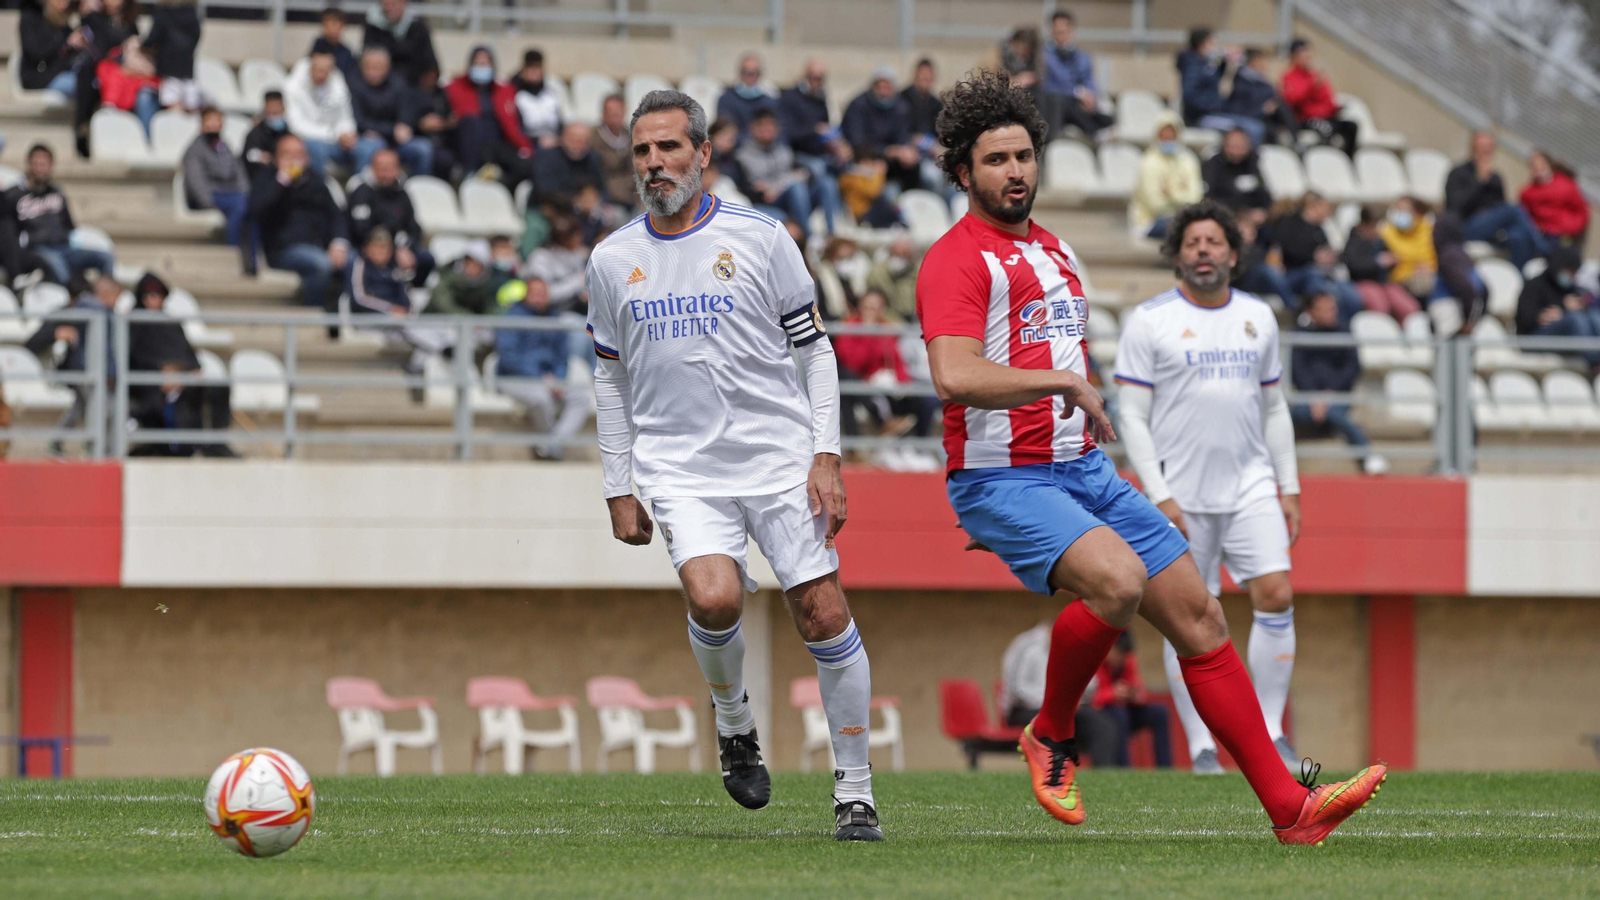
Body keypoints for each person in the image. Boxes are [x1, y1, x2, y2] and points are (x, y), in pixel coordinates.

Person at [917, 69, 1386, 843]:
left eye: (1025, 156)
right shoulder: (956, 259)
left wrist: (1079, 399)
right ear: (963, 171)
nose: (1016, 172)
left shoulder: (1060, 251)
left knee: (1201, 616)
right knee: (1119, 582)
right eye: (997, 160)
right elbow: (954, 375)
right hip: (1003, 475)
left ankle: (1292, 811)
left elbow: (1050, 350)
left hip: (1082, 472)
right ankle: (1051, 732)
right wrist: (1067, 380)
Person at [587, 89, 880, 841]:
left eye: (670, 148)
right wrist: (619, 486)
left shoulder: (762, 237)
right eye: (643, 151)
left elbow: (816, 352)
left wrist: (826, 455)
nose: (655, 162)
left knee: (822, 613)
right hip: (681, 469)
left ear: (704, 153)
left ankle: (855, 793)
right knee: (715, 600)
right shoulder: (612, 258)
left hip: (780, 460)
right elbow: (608, 379)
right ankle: (734, 722)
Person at [1113, 199, 1304, 775]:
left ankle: (1271, 734)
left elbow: (1274, 407)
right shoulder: (1150, 321)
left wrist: (1287, 486)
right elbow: (1132, 417)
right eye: (1193, 242)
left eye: (1213, 242)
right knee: (1188, 615)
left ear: (1233, 254)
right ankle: (1201, 745)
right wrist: (1159, 493)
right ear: (1177, 254)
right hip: (1179, 496)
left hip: (1250, 487)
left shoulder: (1259, 317)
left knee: (1276, 593)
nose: (1203, 251)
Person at [126, 272, 236, 457]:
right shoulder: (132, 324)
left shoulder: (171, 323)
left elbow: (189, 356)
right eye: (149, 295)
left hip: (183, 381)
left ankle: (216, 444)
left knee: (219, 388)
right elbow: (132, 358)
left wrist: (187, 372)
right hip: (152, 385)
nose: (154, 299)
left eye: (158, 295)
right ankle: (170, 447)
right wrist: (164, 375)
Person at [833, 287, 940, 469]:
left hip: (887, 387)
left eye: (876, 308)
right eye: (867, 307)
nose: (872, 312)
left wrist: (902, 383)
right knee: (849, 386)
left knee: (924, 400)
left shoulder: (887, 329)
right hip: (863, 385)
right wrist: (867, 333)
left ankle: (918, 450)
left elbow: (897, 361)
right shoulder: (850, 328)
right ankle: (878, 434)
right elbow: (852, 363)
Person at [495, 276, 592, 459]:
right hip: (516, 378)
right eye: (535, 293)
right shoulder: (512, 318)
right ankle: (552, 447)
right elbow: (510, 358)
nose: (539, 297)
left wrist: (557, 379)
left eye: (543, 293)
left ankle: (549, 445)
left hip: (549, 379)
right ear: (526, 295)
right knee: (541, 398)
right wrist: (541, 378)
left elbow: (562, 356)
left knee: (581, 398)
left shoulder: (555, 319)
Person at [999, 620, 1120, 768]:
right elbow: (1017, 690)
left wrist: (1074, 697)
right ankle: (1052, 780)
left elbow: (1091, 684)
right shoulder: (1026, 645)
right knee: (1052, 724)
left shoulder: (1071, 647)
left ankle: (1104, 775)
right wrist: (1054, 701)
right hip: (1023, 711)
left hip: (1063, 710)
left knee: (1102, 724)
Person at [1291, 291, 1386, 473]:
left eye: (1333, 308)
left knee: (1334, 412)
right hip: (1307, 399)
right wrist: (1314, 396)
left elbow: (1352, 368)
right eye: (1325, 309)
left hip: (1338, 396)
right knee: (1286, 416)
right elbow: (1298, 370)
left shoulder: (1344, 332)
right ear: (1312, 312)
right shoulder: (1299, 334)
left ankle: (1367, 455)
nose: (1331, 312)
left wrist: (1329, 393)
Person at [250, 134, 349, 309]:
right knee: (321, 264)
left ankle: (350, 322)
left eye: (299, 154)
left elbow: (336, 215)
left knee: (355, 261)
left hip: (322, 247)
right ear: (275, 158)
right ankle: (312, 315)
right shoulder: (266, 179)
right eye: (287, 154)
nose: (294, 159)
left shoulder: (316, 181)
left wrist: (338, 244)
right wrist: (282, 181)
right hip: (284, 250)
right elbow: (256, 210)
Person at [25, 272, 116, 455]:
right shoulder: (65, 314)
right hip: (77, 373)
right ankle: (93, 447)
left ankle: (62, 444)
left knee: (83, 406)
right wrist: (56, 333)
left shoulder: (106, 315)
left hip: (95, 372)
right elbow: (32, 343)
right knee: (99, 405)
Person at [0, 144, 116, 285]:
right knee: (56, 264)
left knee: (105, 258)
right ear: (28, 165)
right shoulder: (13, 196)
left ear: (51, 167)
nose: (40, 168)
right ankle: (70, 300)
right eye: (36, 164)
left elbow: (69, 226)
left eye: (44, 164)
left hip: (64, 248)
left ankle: (104, 297)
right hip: (36, 250)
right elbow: (8, 234)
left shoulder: (57, 193)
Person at [1445, 131, 1549, 269]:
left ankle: (1519, 280)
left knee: (1518, 237)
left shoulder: (1496, 179)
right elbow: (1455, 208)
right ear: (1472, 149)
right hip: (1466, 227)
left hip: (1493, 230)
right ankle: (1545, 250)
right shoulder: (1458, 172)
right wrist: (1479, 181)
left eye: (1488, 150)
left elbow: (1499, 209)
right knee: (1514, 210)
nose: (1484, 153)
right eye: (1480, 149)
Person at [181, 106, 256, 275]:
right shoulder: (195, 150)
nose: (214, 126)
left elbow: (239, 174)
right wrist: (209, 203)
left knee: (251, 207)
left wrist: (246, 194)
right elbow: (196, 181)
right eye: (210, 121)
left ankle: (252, 262)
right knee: (239, 207)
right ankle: (231, 255)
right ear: (202, 124)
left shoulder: (225, 147)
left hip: (232, 195)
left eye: (217, 121)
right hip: (211, 196)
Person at [444, 46, 534, 186]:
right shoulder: (455, 88)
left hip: (498, 145)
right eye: (478, 64)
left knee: (524, 166)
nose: (481, 67)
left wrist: (525, 147)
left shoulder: (504, 91)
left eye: (485, 64)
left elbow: (513, 124)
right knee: (471, 123)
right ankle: (469, 175)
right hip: (468, 146)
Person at [345, 148, 432, 283]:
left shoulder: (402, 194)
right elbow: (360, 230)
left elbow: (414, 227)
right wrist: (391, 250)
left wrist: (406, 248)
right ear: (372, 169)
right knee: (352, 260)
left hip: (399, 248)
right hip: (367, 249)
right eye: (381, 168)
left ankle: (411, 298)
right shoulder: (361, 193)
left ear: (398, 170)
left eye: (390, 168)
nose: (385, 174)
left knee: (426, 259)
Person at [1274, 191, 1361, 321]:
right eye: (1325, 207)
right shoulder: (1289, 222)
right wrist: (1313, 257)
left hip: (1321, 273)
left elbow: (1330, 252)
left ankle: (1343, 329)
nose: (1328, 212)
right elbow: (1286, 250)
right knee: (1317, 280)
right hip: (1294, 274)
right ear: (1313, 206)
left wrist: (1331, 257)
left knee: (1350, 294)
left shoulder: (1319, 229)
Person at [1090, 633, 1171, 768]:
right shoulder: (1094, 661)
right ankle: (1124, 768)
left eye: (1124, 654)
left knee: (1160, 713)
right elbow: (1090, 698)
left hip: (1126, 709)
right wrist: (1113, 694)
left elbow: (1140, 690)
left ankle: (1166, 768)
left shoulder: (1128, 660)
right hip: (1104, 714)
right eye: (1118, 653)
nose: (1120, 658)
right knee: (1120, 715)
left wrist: (1135, 696)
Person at [349, 46, 433, 176]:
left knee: (423, 148)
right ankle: (362, 190)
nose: (372, 72)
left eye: (377, 67)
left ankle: (417, 190)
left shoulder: (398, 83)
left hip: (396, 141)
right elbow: (359, 121)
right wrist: (391, 130)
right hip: (369, 138)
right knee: (367, 149)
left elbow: (408, 111)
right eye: (368, 67)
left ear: (387, 67)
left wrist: (405, 125)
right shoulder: (354, 84)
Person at [842, 68, 925, 194]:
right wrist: (886, 152)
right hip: (864, 162)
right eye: (879, 87)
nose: (883, 91)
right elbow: (857, 142)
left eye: (887, 87)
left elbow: (903, 137)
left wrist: (906, 152)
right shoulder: (858, 106)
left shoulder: (900, 107)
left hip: (894, 166)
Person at [1176, 28, 1264, 147]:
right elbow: (1190, 97)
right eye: (1212, 42)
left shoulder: (1205, 64)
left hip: (1214, 113)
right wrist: (1215, 105)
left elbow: (1211, 81)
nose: (1215, 46)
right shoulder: (1193, 66)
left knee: (1257, 125)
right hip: (1202, 117)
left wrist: (1224, 62)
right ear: (1202, 44)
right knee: (1252, 130)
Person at [1514, 246, 1600, 367]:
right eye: (1569, 271)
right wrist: (1543, 316)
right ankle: (1595, 362)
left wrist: (1580, 306)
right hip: (1533, 338)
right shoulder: (1534, 285)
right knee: (1574, 320)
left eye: (1574, 273)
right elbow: (1525, 319)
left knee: (1594, 316)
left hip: (1562, 340)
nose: (1571, 276)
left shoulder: (1570, 289)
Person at [734, 109, 818, 233]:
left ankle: (819, 235)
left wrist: (777, 187)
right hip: (760, 203)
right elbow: (742, 188)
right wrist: (760, 192)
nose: (767, 129)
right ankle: (807, 236)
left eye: (771, 125)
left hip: (785, 196)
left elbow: (805, 173)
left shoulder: (784, 151)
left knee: (822, 184)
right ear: (753, 129)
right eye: (762, 125)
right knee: (783, 213)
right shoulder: (742, 156)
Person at [284, 49, 360, 177]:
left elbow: (345, 116)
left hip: (338, 141)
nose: (321, 74)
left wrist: (347, 133)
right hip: (309, 141)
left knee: (368, 148)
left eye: (326, 70)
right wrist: (334, 135)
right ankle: (321, 190)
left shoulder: (337, 82)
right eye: (318, 69)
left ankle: (359, 190)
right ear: (310, 66)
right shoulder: (293, 87)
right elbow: (296, 126)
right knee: (315, 147)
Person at [1041, 11, 1113, 140]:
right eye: (1058, 32)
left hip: (1079, 105)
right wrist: (1077, 93)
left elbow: (1089, 82)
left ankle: (1098, 126)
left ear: (1071, 31)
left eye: (1065, 32)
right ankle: (1094, 131)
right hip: (1059, 107)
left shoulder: (1082, 57)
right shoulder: (1044, 57)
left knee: (1107, 118)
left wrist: (1090, 98)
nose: (1061, 37)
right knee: (1062, 101)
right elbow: (1050, 86)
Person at [1130, 113, 1202, 239]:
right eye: (1165, 134)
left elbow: (1196, 196)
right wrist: (1182, 197)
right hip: (1150, 222)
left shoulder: (1188, 159)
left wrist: (1171, 195)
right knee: (1183, 228)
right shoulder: (1148, 162)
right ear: (1157, 135)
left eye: (1173, 134)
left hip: (1184, 218)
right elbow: (1156, 205)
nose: (1169, 137)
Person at [1280, 39, 1357, 155]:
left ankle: (1348, 159)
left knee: (1351, 126)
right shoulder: (1290, 77)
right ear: (1294, 57)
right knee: (1325, 129)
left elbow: (1327, 99)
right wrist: (1312, 87)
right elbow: (1291, 101)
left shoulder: (1315, 75)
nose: (1307, 57)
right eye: (1303, 54)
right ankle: (1321, 159)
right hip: (1305, 119)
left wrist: (1335, 108)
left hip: (1326, 116)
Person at [1343, 205, 1421, 320]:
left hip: (1384, 283)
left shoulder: (1379, 241)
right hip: (1362, 283)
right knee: (1380, 308)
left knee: (1410, 308)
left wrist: (1393, 261)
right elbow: (1354, 266)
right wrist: (1377, 263)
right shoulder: (1354, 241)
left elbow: (1390, 258)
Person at [1519, 150, 1588, 249]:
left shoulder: (1565, 185)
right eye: (1533, 165)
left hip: (1559, 235)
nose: (1537, 167)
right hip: (1539, 234)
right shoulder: (1527, 192)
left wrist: (1569, 228)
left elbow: (1581, 211)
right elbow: (1525, 216)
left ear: (1548, 164)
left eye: (1541, 164)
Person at [143, 0, 203, 114]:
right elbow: (197, 36)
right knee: (191, 107)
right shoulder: (192, 13)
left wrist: (143, 46)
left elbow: (154, 37)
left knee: (172, 106)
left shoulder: (163, 13)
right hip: (187, 67)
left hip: (168, 67)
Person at [361, 0, 437, 88]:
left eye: (393, 4)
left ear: (404, 3)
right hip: (381, 88)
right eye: (386, 4)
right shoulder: (373, 28)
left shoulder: (418, 28)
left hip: (414, 86)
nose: (389, 8)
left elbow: (430, 64)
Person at [1227, 49, 1296, 146]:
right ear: (1253, 62)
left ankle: (1293, 135)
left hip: (1268, 118)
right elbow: (1239, 111)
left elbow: (1273, 97)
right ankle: (1294, 136)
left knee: (1280, 106)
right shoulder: (1241, 83)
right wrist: (1263, 110)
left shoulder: (1262, 81)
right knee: (1272, 130)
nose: (1264, 65)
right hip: (1253, 118)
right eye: (1261, 61)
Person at [1202, 128, 1272, 220]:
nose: (1236, 150)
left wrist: (1263, 211)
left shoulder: (1253, 163)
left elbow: (1264, 194)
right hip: (1224, 214)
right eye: (1233, 145)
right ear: (1224, 145)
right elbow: (1210, 197)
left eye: (1241, 145)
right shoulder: (1213, 164)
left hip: (1252, 216)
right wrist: (1239, 213)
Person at [21, 0, 85, 100]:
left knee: (92, 79)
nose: (64, 4)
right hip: (41, 78)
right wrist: (66, 43)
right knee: (83, 85)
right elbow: (37, 53)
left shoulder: (64, 23)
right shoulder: (30, 18)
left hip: (64, 73)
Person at [524, 214, 589, 312]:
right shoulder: (540, 258)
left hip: (572, 310)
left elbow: (581, 289)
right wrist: (578, 282)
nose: (580, 238)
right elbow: (544, 296)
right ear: (565, 238)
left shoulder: (576, 256)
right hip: (544, 314)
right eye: (576, 235)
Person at [1378, 196, 1437, 301]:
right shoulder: (1386, 231)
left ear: (1416, 212)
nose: (1400, 214)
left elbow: (1429, 257)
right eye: (1398, 210)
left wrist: (1426, 266)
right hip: (1398, 281)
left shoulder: (1427, 229)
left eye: (1404, 211)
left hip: (1424, 277)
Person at [532, 122, 604, 205]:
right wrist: (576, 201)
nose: (579, 146)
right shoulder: (547, 157)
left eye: (584, 142)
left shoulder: (592, 158)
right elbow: (544, 191)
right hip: (550, 207)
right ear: (563, 138)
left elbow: (602, 189)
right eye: (575, 141)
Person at [428, 240, 506, 316]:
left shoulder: (483, 286)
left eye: (477, 265)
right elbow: (443, 305)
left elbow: (487, 309)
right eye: (469, 263)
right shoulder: (446, 280)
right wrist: (469, 319)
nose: (472, 268)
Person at [715, 54, 777, 137]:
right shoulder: (726, 100)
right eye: (746, 72)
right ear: (740, 73)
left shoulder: (769, 102)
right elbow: (724, 132)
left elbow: (777, 132)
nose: (750, 77)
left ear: (759, 75)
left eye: (754, 73)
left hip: (764, 147)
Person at [511, 49, 562, 150]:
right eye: (531, 68)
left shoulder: (551, 95)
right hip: (529, 145)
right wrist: (536, 141)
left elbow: (560, 125)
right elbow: (516, 129)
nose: (535, 72)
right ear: (523, 71)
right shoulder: (516, 96)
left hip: (554, 142)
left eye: (538, 68)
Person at [591, 94, 635, 209]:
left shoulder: (632, 136)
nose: (616, 114)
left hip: (632, 192)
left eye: (619, 110)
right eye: (611, 110)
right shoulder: (593, 137)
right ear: (603, 113)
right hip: (606, 194)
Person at [865, 235, 920, 321]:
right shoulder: (877, 273)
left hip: (915, 319)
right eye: (896, 254)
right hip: (887, 320)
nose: (899, 258)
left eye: (904, 255)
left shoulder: (921, 272)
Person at [241, 90, 290, 182]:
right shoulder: (255, 134)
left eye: (277, 107)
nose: (274, 111)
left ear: (283, 108)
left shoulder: (288, 134)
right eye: (271, 108)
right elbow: (249, 155)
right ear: (265, 109)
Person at [311, 7, 359, 85]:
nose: (333, 27)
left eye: (336, 23)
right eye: (329, 23)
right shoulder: (318, 45)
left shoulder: (346, 52)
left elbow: (350, 77)